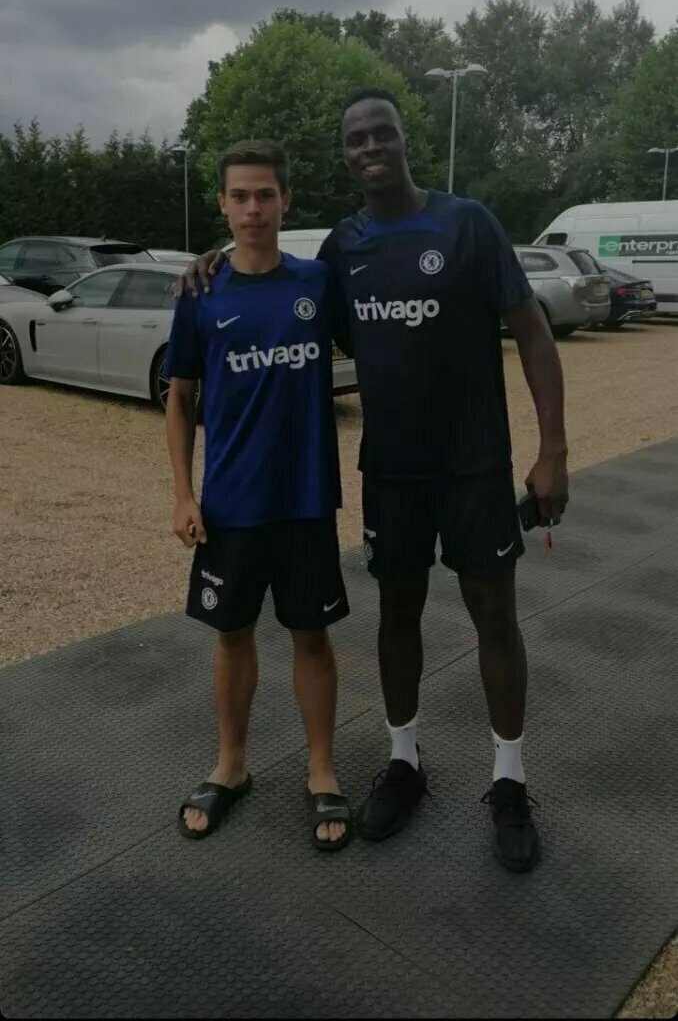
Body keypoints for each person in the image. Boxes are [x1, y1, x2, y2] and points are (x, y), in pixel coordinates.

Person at [180, 91, 569, 873]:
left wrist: (553, 449)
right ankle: (403, 762)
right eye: (355, 139)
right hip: (390, 472)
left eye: (380, 133)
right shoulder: (341, 249)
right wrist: (210, 263)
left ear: (403, 139)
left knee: (495, 617)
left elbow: (532, 332)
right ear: (345, 155)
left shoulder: (468, 224)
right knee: (398, 615)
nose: (369, 147)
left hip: (475, 467)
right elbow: (277, 292)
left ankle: (510, 781)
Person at [166, 138, 351, 851]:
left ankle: (321, 770)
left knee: (312, 637)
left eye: (265, 194)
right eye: (239, 196)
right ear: (222, 203)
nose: (253, 208)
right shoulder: (201, 292)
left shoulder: (317, 283)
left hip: (305, 500)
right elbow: (179, 397)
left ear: (285, 201)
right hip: (231, 506)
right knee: (232, 635)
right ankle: (231, 765)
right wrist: (183, 495)